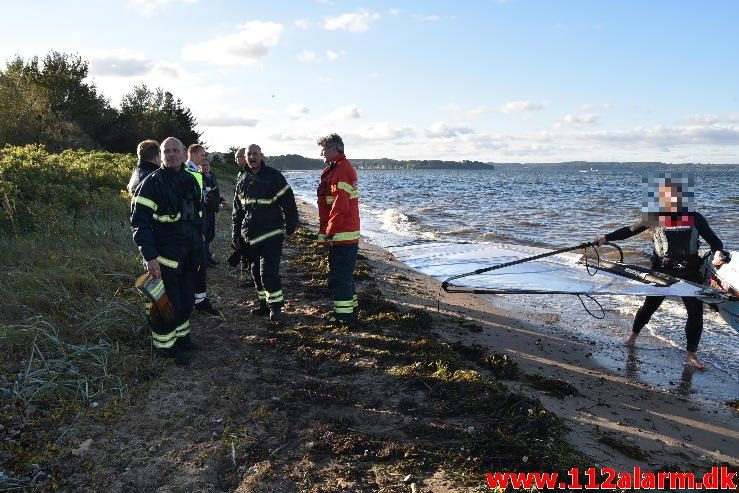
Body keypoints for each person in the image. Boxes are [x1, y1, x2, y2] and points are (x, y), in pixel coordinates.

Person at [595, 176, 730, 369]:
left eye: (676, 196)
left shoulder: (695, 217)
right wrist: (606, 238)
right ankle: (632, 337)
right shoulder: (655, 216)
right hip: (661, 271)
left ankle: (691, 354)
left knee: (695, 313)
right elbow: (629, 230)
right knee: (650, 306)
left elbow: (714, 241)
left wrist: (719, 254)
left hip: (690, 271)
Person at [130, 137, 205, 365]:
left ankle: (182, 338)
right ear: (160, 155)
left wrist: (199, 247)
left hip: (188, 255)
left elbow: (196, 217)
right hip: (164, 258)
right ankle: (166, 347)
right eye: (166, 151)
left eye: (175, 150)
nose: (171, 155)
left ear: (184, 154)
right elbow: (139, 223)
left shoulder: (191, 180)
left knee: (185, 300)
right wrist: (149, 256)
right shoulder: (152, 183)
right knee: (166, 304)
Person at [232, 144, 298, 323]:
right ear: (245, 157)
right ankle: (263, 304)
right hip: (250, 235)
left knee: (267, 272)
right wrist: (235, 234)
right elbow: (237, 210)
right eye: (249, 154)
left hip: (272, 232)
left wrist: (292, 225)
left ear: (261, 155)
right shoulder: (242, 179)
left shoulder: (274, 176)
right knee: (254, 272)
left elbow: (288, 201)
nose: (252, 157)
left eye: (255, 154)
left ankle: (276, 308)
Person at [316, 133, 361, 327]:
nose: (321, 153)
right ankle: (350, 311)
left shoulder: (341, 170)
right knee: (345, 276)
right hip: (344, 233)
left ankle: (344, 317)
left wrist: (330, 232)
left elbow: (339, 205)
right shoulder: (338, 169)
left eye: (324, 149)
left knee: (340, 277)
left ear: (334, 149)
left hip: (342, 234)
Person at [186, 143, 221, 316]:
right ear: (192, 154)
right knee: (196, 266)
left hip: (198, 221)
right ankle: (198, 302)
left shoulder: (196, 172)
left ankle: (199, 300)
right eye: (202, 155)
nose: (204, 158)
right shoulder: (190, 171)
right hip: (193, 226)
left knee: (198, 265)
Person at [199, 158, 226, 265]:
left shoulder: (212, 176)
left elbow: (215, 194)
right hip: (205, 211)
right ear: (199, 167)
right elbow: (205, 195)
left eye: (206, 165)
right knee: (205, 235)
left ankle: (208, 257)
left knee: (211, 234)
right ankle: (205, 260)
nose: (205, 167)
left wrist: (222, 200)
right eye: (203, 165)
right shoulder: (200, 177)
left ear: (209, 166)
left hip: (212, 210)